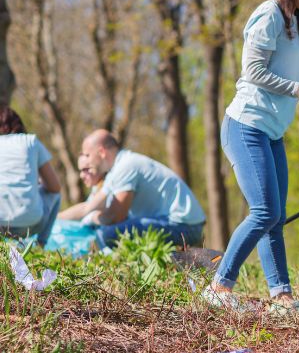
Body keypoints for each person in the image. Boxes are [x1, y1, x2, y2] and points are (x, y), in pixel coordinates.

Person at [202, 0, 299, 318]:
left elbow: (290, 78)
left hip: (271, 133)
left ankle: (281, 299)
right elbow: (253, 71)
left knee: (275, 217)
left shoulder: (298, 22)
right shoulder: (269, 15)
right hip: (246, 126)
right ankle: (218, 286)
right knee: (264, 212)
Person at [76, 129, 206, 248]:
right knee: (109, 230)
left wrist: (93, 218)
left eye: (87, 155)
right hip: (179, 224)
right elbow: (87, 207)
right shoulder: (117, 169)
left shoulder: (126, 166)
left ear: (101, 152)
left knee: (109, 233)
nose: (86, 160)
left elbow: (115, 217)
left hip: (184, 227)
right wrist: (57, 219)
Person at [0, 106, 61, 246]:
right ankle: (41, 245)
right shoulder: (30, 141)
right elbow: (55, 187)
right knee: (56, 195)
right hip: (28, 223)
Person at [58, 155, 106, 221]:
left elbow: (86, 208)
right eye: (81, 170)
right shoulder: (96, 187)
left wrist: (56, 218)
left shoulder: (107, 187)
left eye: (86, 169)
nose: (81, 175)